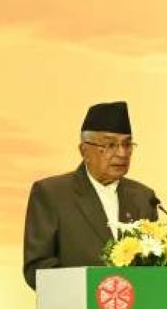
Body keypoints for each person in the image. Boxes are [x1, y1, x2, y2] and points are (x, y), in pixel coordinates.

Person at [23, 101, 158, 289]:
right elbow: (37, 267)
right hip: (76, 305)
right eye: (110, 145)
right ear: (84, 150)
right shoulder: (52, 193)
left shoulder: (144, 198)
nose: (122, 153)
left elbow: (155, 265)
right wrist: (89, 293)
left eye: (127, 144)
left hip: (137, 306)